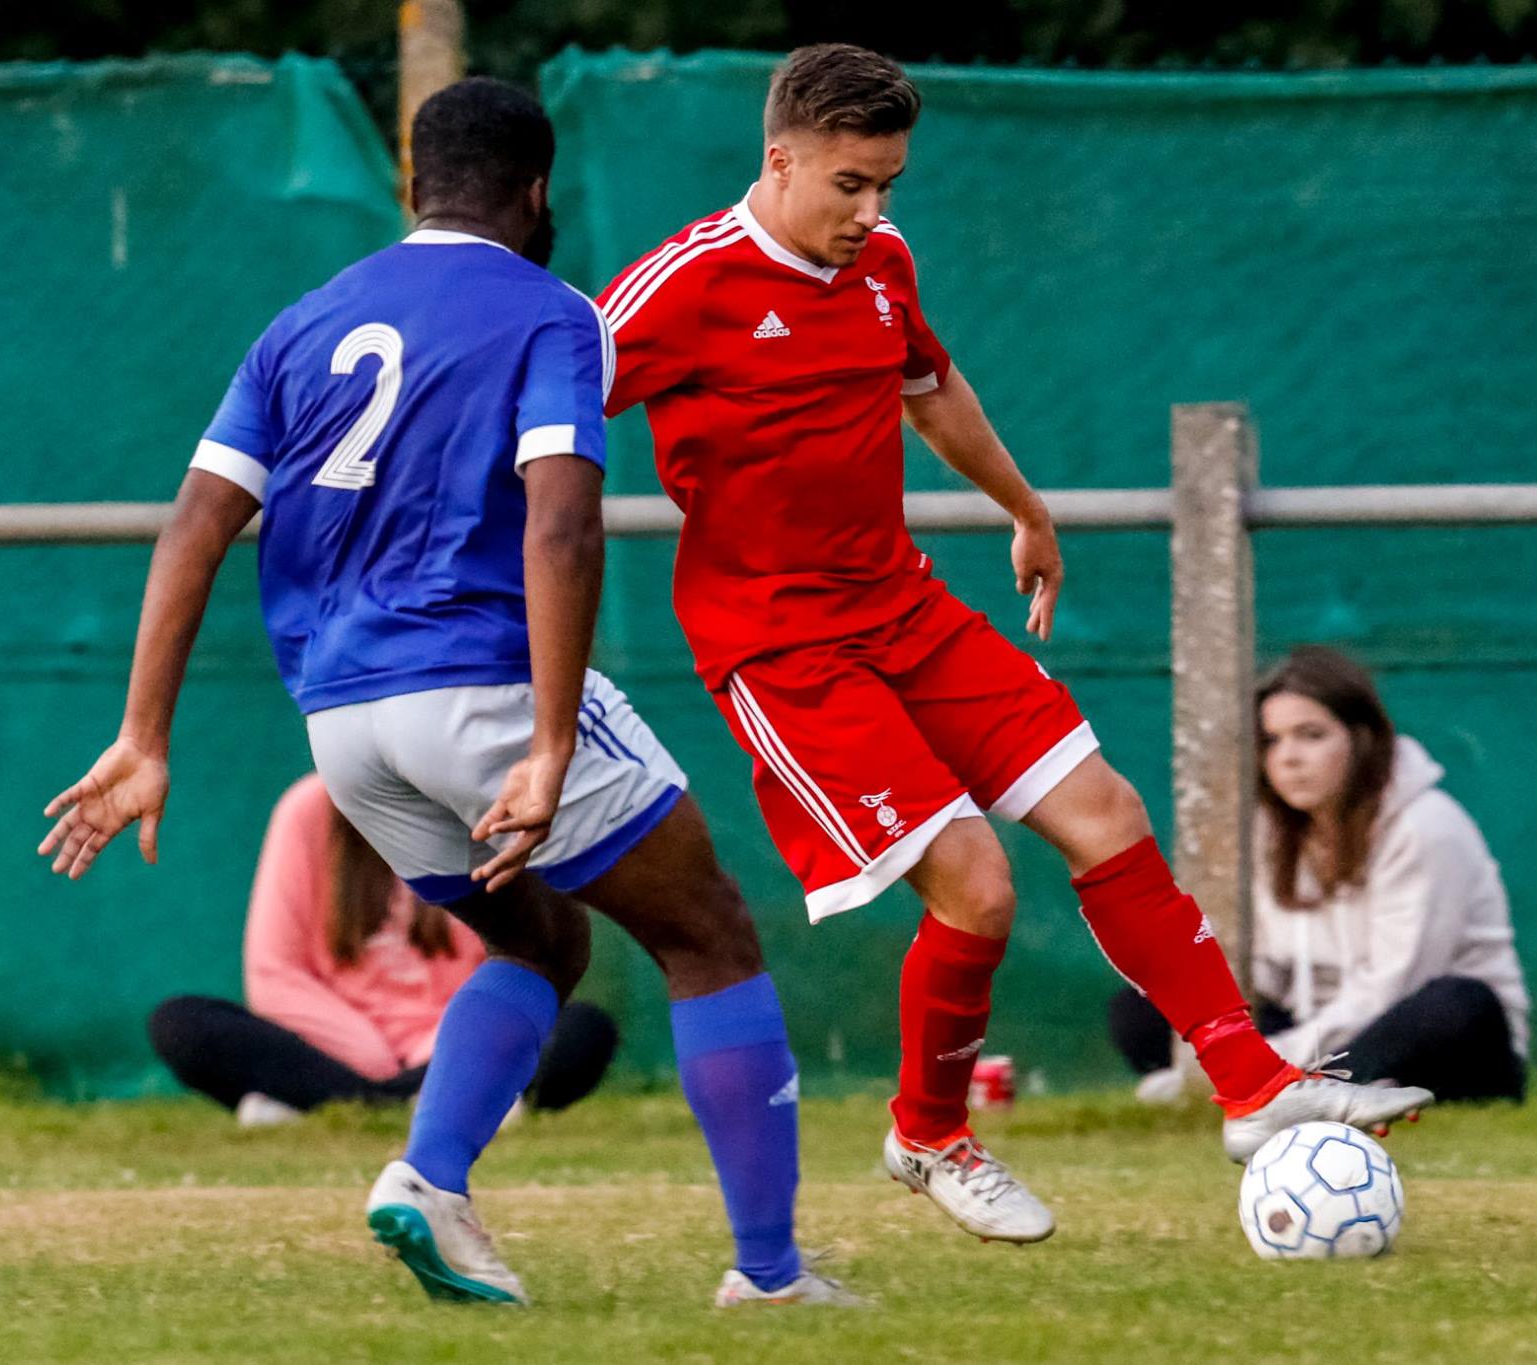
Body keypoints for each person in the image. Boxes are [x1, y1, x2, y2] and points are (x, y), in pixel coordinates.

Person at [597, 43, 1432, 1247]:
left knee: (1105, 814)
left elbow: (928, 385)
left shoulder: (880, 263)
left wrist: (1024, 508)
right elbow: (539, 403)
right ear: (778, 160)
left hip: (902, 605)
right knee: (978, 886)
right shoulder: (678, 289)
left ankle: (1252, 1084)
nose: (870, 211)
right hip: (781, 648)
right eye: (847, 184)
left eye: (887, 183)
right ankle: (929, 1134)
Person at [38, 77, 851, 1309]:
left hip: (345, 725)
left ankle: (429, 1177)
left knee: (541, 936)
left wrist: (144, 735)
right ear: (535, 193)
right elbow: (563, 529)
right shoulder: (550, 313)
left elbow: (197, 526)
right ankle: (772, 1275)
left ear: (417, 185)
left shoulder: (302, 323)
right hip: (475, 686)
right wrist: (543, 737)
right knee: (709, 934)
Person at [1110, 646, 1531, 1103]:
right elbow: (1264, 972)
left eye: (1310, 735)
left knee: (1456, 1006)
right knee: (1142, 1012)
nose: (1288, 757)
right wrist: (1223, 1037)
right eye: (1272, 741)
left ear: (1361, 738)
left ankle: (1291, 1092)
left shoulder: (1426, 828)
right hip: (1311, 1027)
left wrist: (1267, 1062)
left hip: (1433, 1042)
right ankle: (1291, 1090)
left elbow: (1393, 987)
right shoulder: (1269, 830)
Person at [147, 773, 618, 1125]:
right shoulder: (307, 808)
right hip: (330, 1048)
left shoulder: (486, 812)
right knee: (181, 1024)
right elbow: (275, 974)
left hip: (450, 1043)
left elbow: (510, 966)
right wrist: (371, 1056)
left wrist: (434, 1047)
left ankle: (321, 1105)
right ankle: (449, 1104)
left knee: (583, 1031)